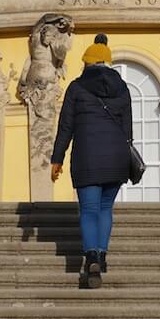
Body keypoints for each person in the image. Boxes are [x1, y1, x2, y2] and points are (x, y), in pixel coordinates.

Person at [50, 34, 132, 289]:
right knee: (105, 208)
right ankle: (102, 256)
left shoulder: (76, 88)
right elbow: (128, 131)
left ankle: (92, 257)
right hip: (116, 158)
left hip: (86, 157)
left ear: (87, 62)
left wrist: (57, 158)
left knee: (89, 209)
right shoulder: (123, 88)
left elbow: (66, 127)